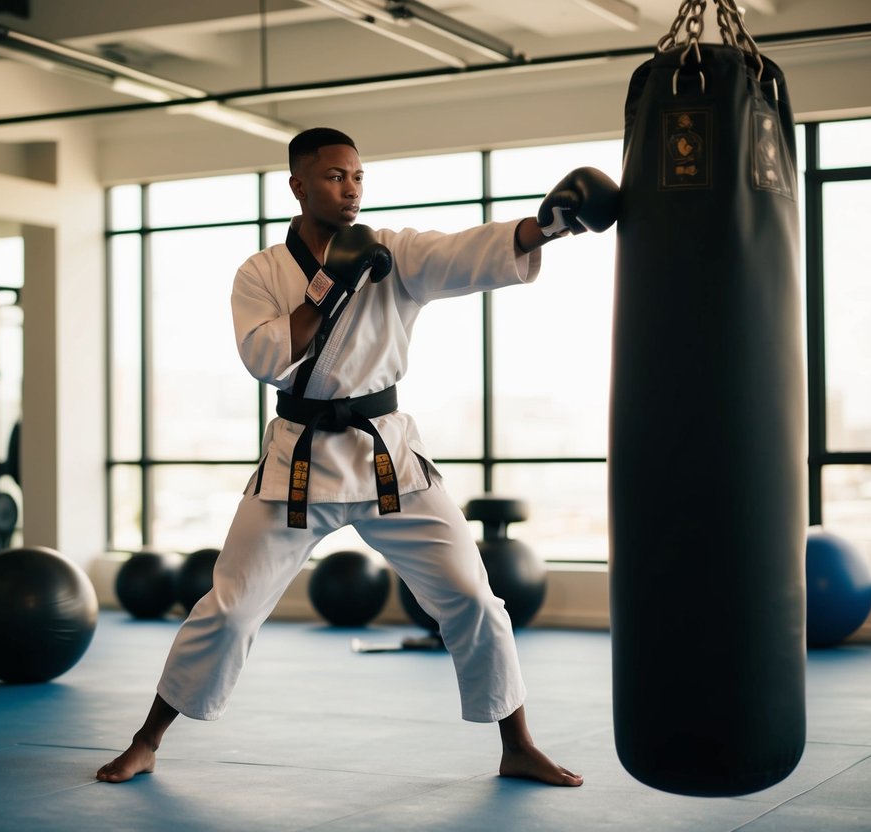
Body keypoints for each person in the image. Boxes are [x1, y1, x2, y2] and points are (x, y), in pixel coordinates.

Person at [97, 127, 618, 787]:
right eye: (333, 176)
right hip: (298, 462)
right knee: (227, 608)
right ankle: (146, 740)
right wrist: (324, 288)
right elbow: (263, 359)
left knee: (475, 600)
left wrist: (544, 227)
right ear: (298, 185)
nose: (349, 189)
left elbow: (464, 253)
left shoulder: (393, 252)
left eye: (356, 177)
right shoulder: (260, 271)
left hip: (387, 460)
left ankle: (516, 744)